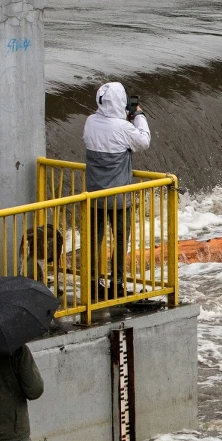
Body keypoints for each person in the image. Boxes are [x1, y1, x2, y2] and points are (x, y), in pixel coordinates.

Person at [83, 81, 150, 301]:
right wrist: (138, 115)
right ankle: (118, 282)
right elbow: (144, 142)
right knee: (120, 239)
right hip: (119, 197)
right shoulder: (122, 128)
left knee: (95, 238)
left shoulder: (90, 122)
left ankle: (93, 282)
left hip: (94, 195)